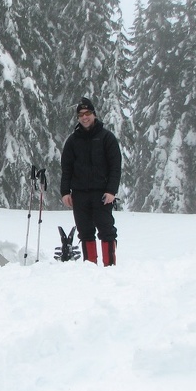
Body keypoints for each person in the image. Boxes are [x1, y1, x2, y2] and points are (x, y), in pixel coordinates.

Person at [60, 97, 122, 266]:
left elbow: (115, 167)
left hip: (102, 194)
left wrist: (111, 191)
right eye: (81, 114)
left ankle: (109, 267)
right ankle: (90, 268)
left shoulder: (106, 138)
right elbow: (66, 168)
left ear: (94, 114)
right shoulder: (72, 141)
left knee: (106, 230)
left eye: (87, 113)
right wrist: (65, 192)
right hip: (79, 194)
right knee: (85, 232)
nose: (84, 117)